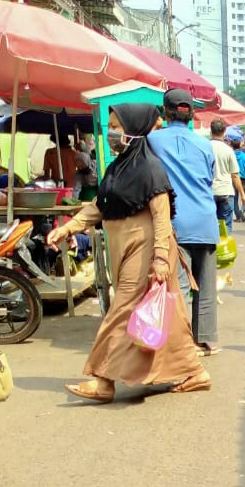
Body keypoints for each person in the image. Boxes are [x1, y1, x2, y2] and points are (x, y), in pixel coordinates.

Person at [47, 103, 210, 402]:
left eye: (117, 127)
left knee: (122, 311)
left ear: (134, 130)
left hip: (146, 249)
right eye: (111, 127)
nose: (111, 133)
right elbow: (100, 205)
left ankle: (102, 380)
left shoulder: (151, 169)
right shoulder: (117, 167)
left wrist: (160, 258)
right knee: (165, 319)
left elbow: (162, 218)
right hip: (123, 249)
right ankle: (195, 371)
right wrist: (68, 228)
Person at [148, 88, 221, 357]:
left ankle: (179, 343)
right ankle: (205, 340)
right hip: (205, 219)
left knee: (177, 288)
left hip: (175, 223)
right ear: (191, 113)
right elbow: (210, 177)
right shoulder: (204, 144)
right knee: (205, 285)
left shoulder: (153, 140)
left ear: (164, 112)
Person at [209, 120, 245, 234]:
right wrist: (242, 195)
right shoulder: (228, 150)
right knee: (226, 228)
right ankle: (225, 250)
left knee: (210, 226)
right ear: (224, 132)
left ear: (211, 131)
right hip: (226, 192)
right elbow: (235, 176)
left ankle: (213, 251)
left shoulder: (205, 147)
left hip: (209, 192)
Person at [232, 136, 245, 223]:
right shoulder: (244, 156)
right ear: (240, 146)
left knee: (234, 198)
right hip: (243, 179)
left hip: (233, 178)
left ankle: (238, 215)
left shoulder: (231, 154)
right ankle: (241, 213)